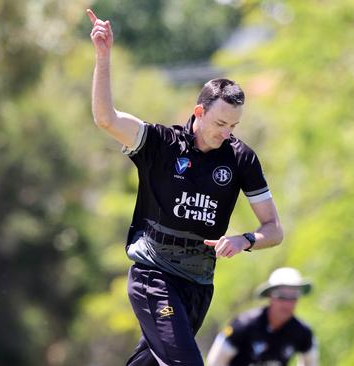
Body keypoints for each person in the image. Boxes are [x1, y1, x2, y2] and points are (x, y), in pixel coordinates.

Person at [87, 8, 284, 366]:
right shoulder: (161, 144)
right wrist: (103, 56)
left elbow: (274, 230)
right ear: (198, 112)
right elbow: (106, 118)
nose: (226, 133)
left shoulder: (241, 159)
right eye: (220, 123)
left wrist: (245, 240)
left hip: (198, 283)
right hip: (154, 274)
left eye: (234, 126)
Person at [206, 267, 318, 366]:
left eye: (293, 297)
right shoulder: (243, 325)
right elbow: (215, 362)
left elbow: (311, 362)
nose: (287, 304)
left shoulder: (302, 332)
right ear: (270, 297)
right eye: (282, 297)